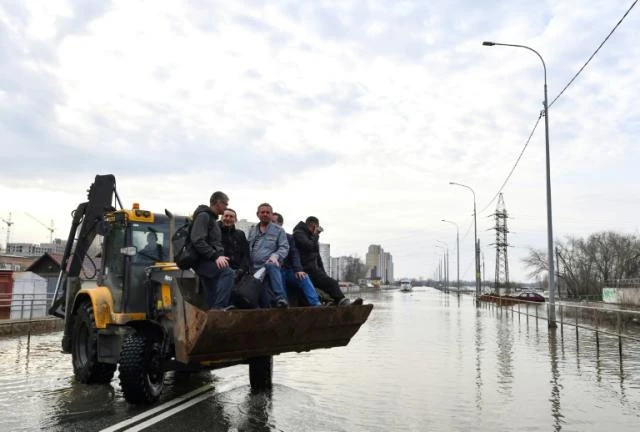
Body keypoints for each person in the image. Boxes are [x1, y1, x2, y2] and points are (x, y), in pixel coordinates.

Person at [293, 216, 363, 307]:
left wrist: (324, 274)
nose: (319, 232)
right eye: (318, 229)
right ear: (314, 226)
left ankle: (343, 302)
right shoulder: (299, 233)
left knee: (331, 283)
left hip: (313, 270)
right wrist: (315, 235)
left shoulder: (312, 237)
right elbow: (309, 247)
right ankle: (333, 303)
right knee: (311, 291)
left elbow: (318, 258)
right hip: (303, 270)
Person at [191, 191, 234, 309]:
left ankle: (212, 317)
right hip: (203, 261)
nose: (226, 207)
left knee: (211, 295)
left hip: (208, 261)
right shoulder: (204, 216)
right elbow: (197, 240)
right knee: (228, 272)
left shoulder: (211, 218)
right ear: (218, 202)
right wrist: (216, 256)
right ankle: (219, 309)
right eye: (225, 204)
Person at [271, 212, 321, 306]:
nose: (271, 224)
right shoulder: (266, 238)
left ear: (280, 224)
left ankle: (316, 304)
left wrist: (299, 270)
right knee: (280, 279)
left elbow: (294, 253)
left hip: (288, 270)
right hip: (275, 270)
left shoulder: (288, 237)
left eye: (273, 222)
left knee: (303, 277)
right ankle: (285, 306)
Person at [247, 203, 289, 308]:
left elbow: (284, 247)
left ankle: (281, 298)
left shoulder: (278, 230)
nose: (265, 214)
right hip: (254, 269)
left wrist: (275, 256)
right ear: (258, 214)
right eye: (262, 212)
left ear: (271, 214)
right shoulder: (252, 230)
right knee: (262, 299)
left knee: (272, 265)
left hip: (269, 266)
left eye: (267, 212)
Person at [218, 208, 251, 282]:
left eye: (231, 217)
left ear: (235, 220)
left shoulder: (240, 234)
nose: (228, 218)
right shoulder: (216, 233)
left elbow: (246, 254)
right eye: (226, 216)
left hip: (238, 272)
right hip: (222, 271)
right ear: (222, 218)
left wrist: (241, 269)